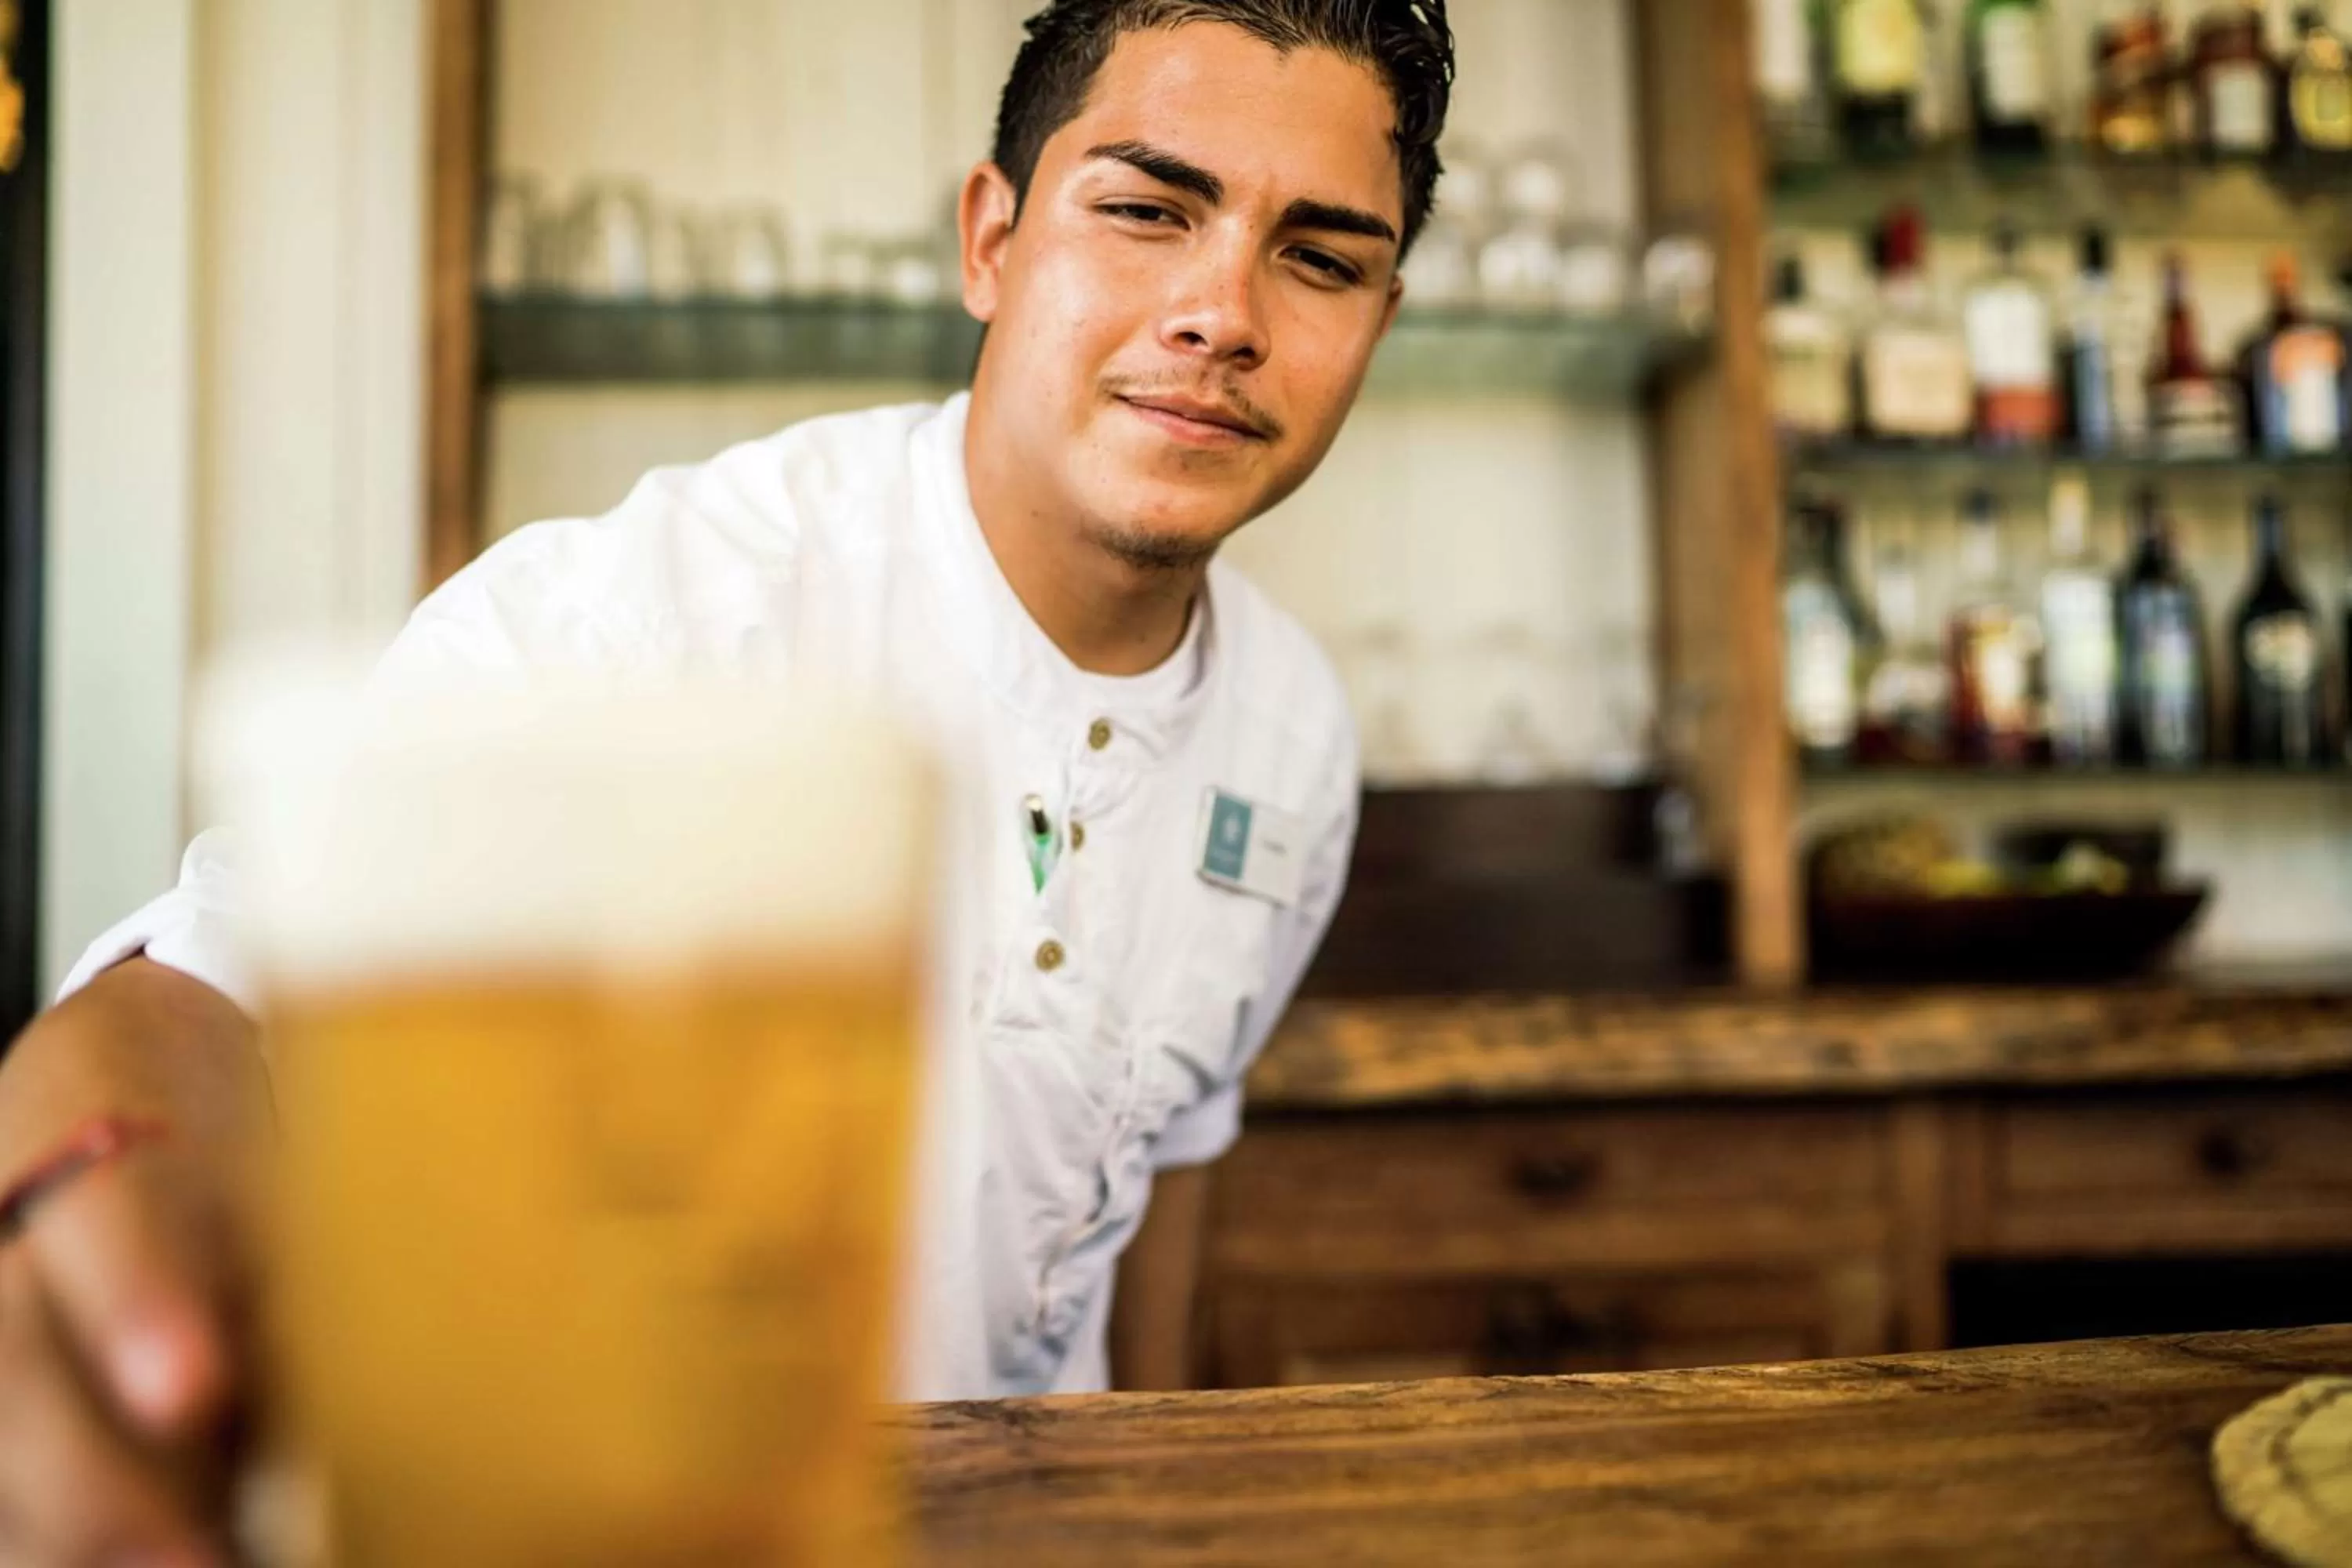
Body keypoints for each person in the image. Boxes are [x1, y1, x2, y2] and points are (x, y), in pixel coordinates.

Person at [0, 0, 1454, 1559]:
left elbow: (1165, 1183)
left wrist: (1163, 1511)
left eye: (1320, 257)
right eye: (1148, 209)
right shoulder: (646, 614)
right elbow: (203, 991)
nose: (1222, 310)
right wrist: (82, 1198)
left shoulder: (1294, 732)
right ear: (991, 242)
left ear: (1378, 315)